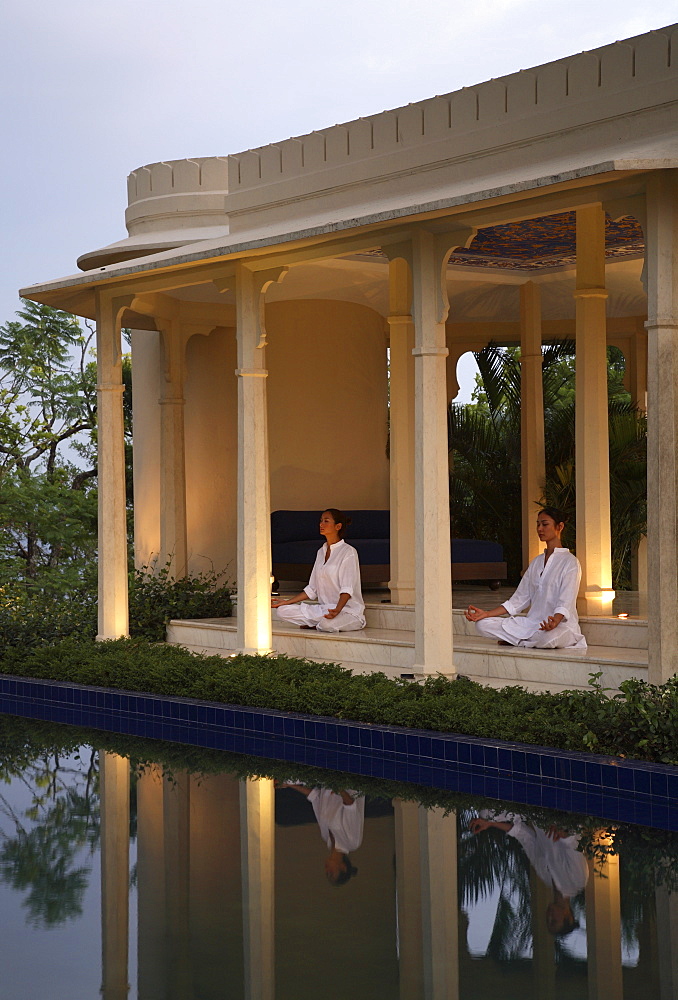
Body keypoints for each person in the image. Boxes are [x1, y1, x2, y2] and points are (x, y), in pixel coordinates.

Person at [465, 507, 586, 649]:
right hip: (532, 624)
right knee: (482, 625)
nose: (540, 528)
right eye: (538, 524)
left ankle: (518, 640)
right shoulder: (536, 562)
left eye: (545, 524)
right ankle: (525, 640)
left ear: (559, 526)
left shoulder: (570, 562)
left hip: (560, 626)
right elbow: (518, 600)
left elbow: (566, 601)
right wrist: (486, 614)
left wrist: (555, 621)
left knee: (549, 639)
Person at [469, 811, 589, 936]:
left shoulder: (545, 877)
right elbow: (574, 844)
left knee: (486, 814)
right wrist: (563, 833)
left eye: (547, 921)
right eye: (553, 921)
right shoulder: (578, 881)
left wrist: (490, 823)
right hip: (561, 814)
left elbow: (524, 836)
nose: (549, 917)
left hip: (536, 814)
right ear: (568, 917)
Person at [271, 508, 366, 632]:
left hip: (347, 611)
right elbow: (312, 589)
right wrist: (287, 602)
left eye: (326, 521)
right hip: (324, 609)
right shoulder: (321, 552)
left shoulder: (348, 552)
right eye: (321, 521)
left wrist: (337, 610)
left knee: (326, 625)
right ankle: (318, 622)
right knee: (283, 611)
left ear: (338, 526)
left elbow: (347, 589)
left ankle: (318, 623)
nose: (321, 524)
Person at [277, 783, 364, 886]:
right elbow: (350, 805)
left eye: (326, 873)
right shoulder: (352, 842)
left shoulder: (325, 836)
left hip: (327, 781)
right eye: (331, 873)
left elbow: (315, 797)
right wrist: (339, 789)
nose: (327, 870)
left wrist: (288, 785)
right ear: (343, 867)